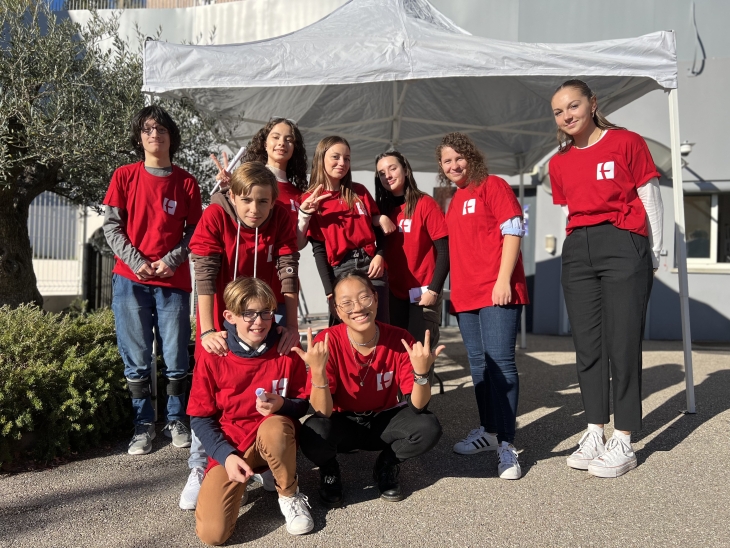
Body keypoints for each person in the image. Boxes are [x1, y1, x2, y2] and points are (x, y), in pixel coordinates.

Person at [549, 79, 662, 478]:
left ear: (592, 104)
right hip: (578, 248)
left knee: (623, 342)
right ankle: (594, 429)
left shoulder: (626, 142)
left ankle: (625, 436)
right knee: (588, 345)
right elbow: (567, 211)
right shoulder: (558, 162)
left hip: (623, 241)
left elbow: (649, 195)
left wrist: (655, 250)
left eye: (573, 106)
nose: (567, 115)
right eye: (559, 111)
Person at [180, 161, 299, 509]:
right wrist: (208, 330)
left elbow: (288, 276)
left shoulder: (281, 219)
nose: (254, 209)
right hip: (219, 316)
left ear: (274, 200)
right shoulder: (215, 215)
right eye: (246, 200)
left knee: (265, 382)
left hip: (263, 313)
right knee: (210, 392)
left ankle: (259, 458)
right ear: (232, 196)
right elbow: (203, 276)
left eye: (263, 201)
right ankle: (201, 467)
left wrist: (290, 326)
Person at [296, 270, 443, 506]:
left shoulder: (399, 338)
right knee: (313, 431)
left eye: (364, 297)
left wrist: (421, 374)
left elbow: (418, 406)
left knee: (427, 426)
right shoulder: (327, 341)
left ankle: (386, 464)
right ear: (337, 310)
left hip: (382, 421)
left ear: (375, 298)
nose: (357, 307)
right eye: (346, 303)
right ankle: (330, 469)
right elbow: (322, 411)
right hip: (342, 421)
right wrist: (317, 372)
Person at [103, 105, 201, 456]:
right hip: (130, 279)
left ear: (171, 136)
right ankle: (143, 424)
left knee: (175, 355)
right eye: (147, 129)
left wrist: (169, 261)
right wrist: (137, 261)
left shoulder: (187, 182)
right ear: (139, 136)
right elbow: (112, 227)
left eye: (160, 129)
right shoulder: (124, 176)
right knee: (136, 356)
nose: (154, 134)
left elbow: (194, 233)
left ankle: (176, 419)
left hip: (173, 282)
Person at [188, 277, 313, 544]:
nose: (259, 321)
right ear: (229, 316)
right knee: (212, 535)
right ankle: (245, 478)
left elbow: (303, 402)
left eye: (266, 312)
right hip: (233, 445)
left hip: (271, 437)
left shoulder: (286, 348)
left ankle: (289, 494)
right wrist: (225, 456)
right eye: (249, 314)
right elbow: (200, 417)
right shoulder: (213, 355)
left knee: (275, 426)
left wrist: (282, 405)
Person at [438, 132, 528, 480]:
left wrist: (504, 280)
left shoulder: (493, 185)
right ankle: (489, 432)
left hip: (496, 292)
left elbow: (514, 229)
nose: (454, 165)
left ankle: (507, 445)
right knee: (478, 366)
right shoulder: (456, 198)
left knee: (501, 364)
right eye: (447, 161)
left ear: (471, 157)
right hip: (466, 295)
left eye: (459, 157)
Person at [300, 136, 395, 324]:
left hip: (372, 266)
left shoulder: (359, 191)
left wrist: (380, 255)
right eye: (336, 157)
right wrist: (329, 291)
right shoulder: (311, 199)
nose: (342, 163)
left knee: (380, 326)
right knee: (345, 331)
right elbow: (318, 249)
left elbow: (379, 230)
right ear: (321, 158)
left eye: (347, 158)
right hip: (340, 270)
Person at [375, 151, 450, 376]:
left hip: (423, 294)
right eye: (381, 173)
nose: (387, 175)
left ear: (406, 170)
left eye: (393, 168)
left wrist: (434, 290)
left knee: (420, 354)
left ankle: (420, 407)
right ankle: (401, 404)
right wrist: (375, 218)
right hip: (394, 294)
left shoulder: (425, 204)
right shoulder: (382, 209)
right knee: (397, 352)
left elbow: (445, 252)